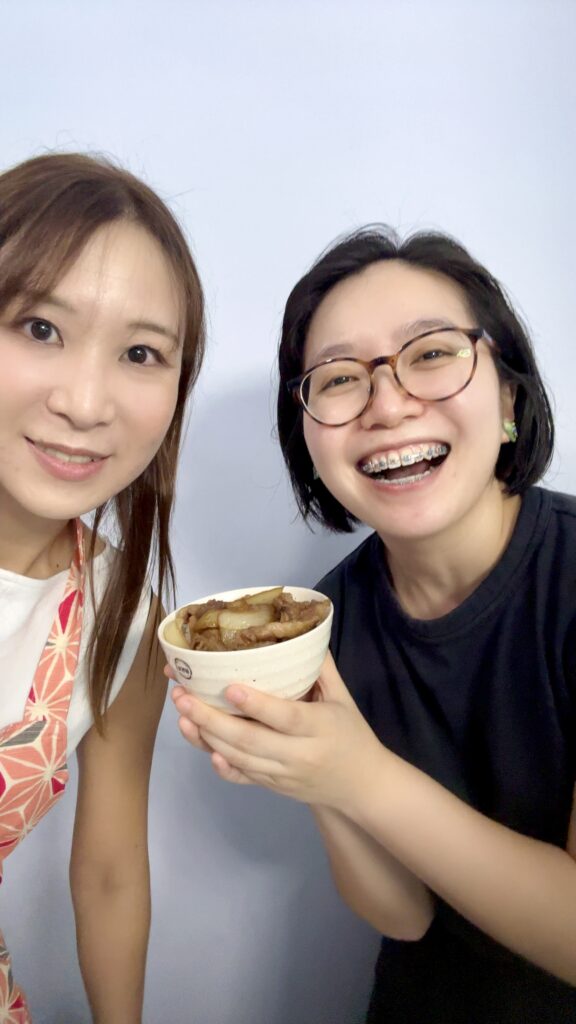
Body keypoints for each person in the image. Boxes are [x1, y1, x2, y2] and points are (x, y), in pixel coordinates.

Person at [172, 226, 576, 1022]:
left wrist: (362, 776)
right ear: (310, 442)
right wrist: (312, 771)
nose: (388, 404)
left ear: (508, 400)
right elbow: (404, 916)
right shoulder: (325, 619)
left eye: (430, 354)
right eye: (341, 377)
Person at [0, 152, 204, 1022]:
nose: (87, 402)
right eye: (40, 328)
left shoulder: (123, 619)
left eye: (140, 353)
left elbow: (112, 872)